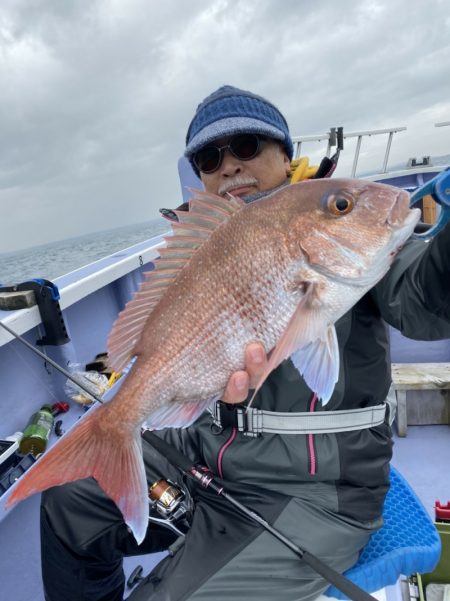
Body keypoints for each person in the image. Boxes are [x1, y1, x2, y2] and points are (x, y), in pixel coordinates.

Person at [40, 85, 450, 601]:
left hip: (315, 492)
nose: (230, 166)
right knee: (67, 507)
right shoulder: (199, 248)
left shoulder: (358, 247)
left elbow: (426, 301)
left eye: (248, 147)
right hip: (207, 455)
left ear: (286, 156)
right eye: (211, 158)